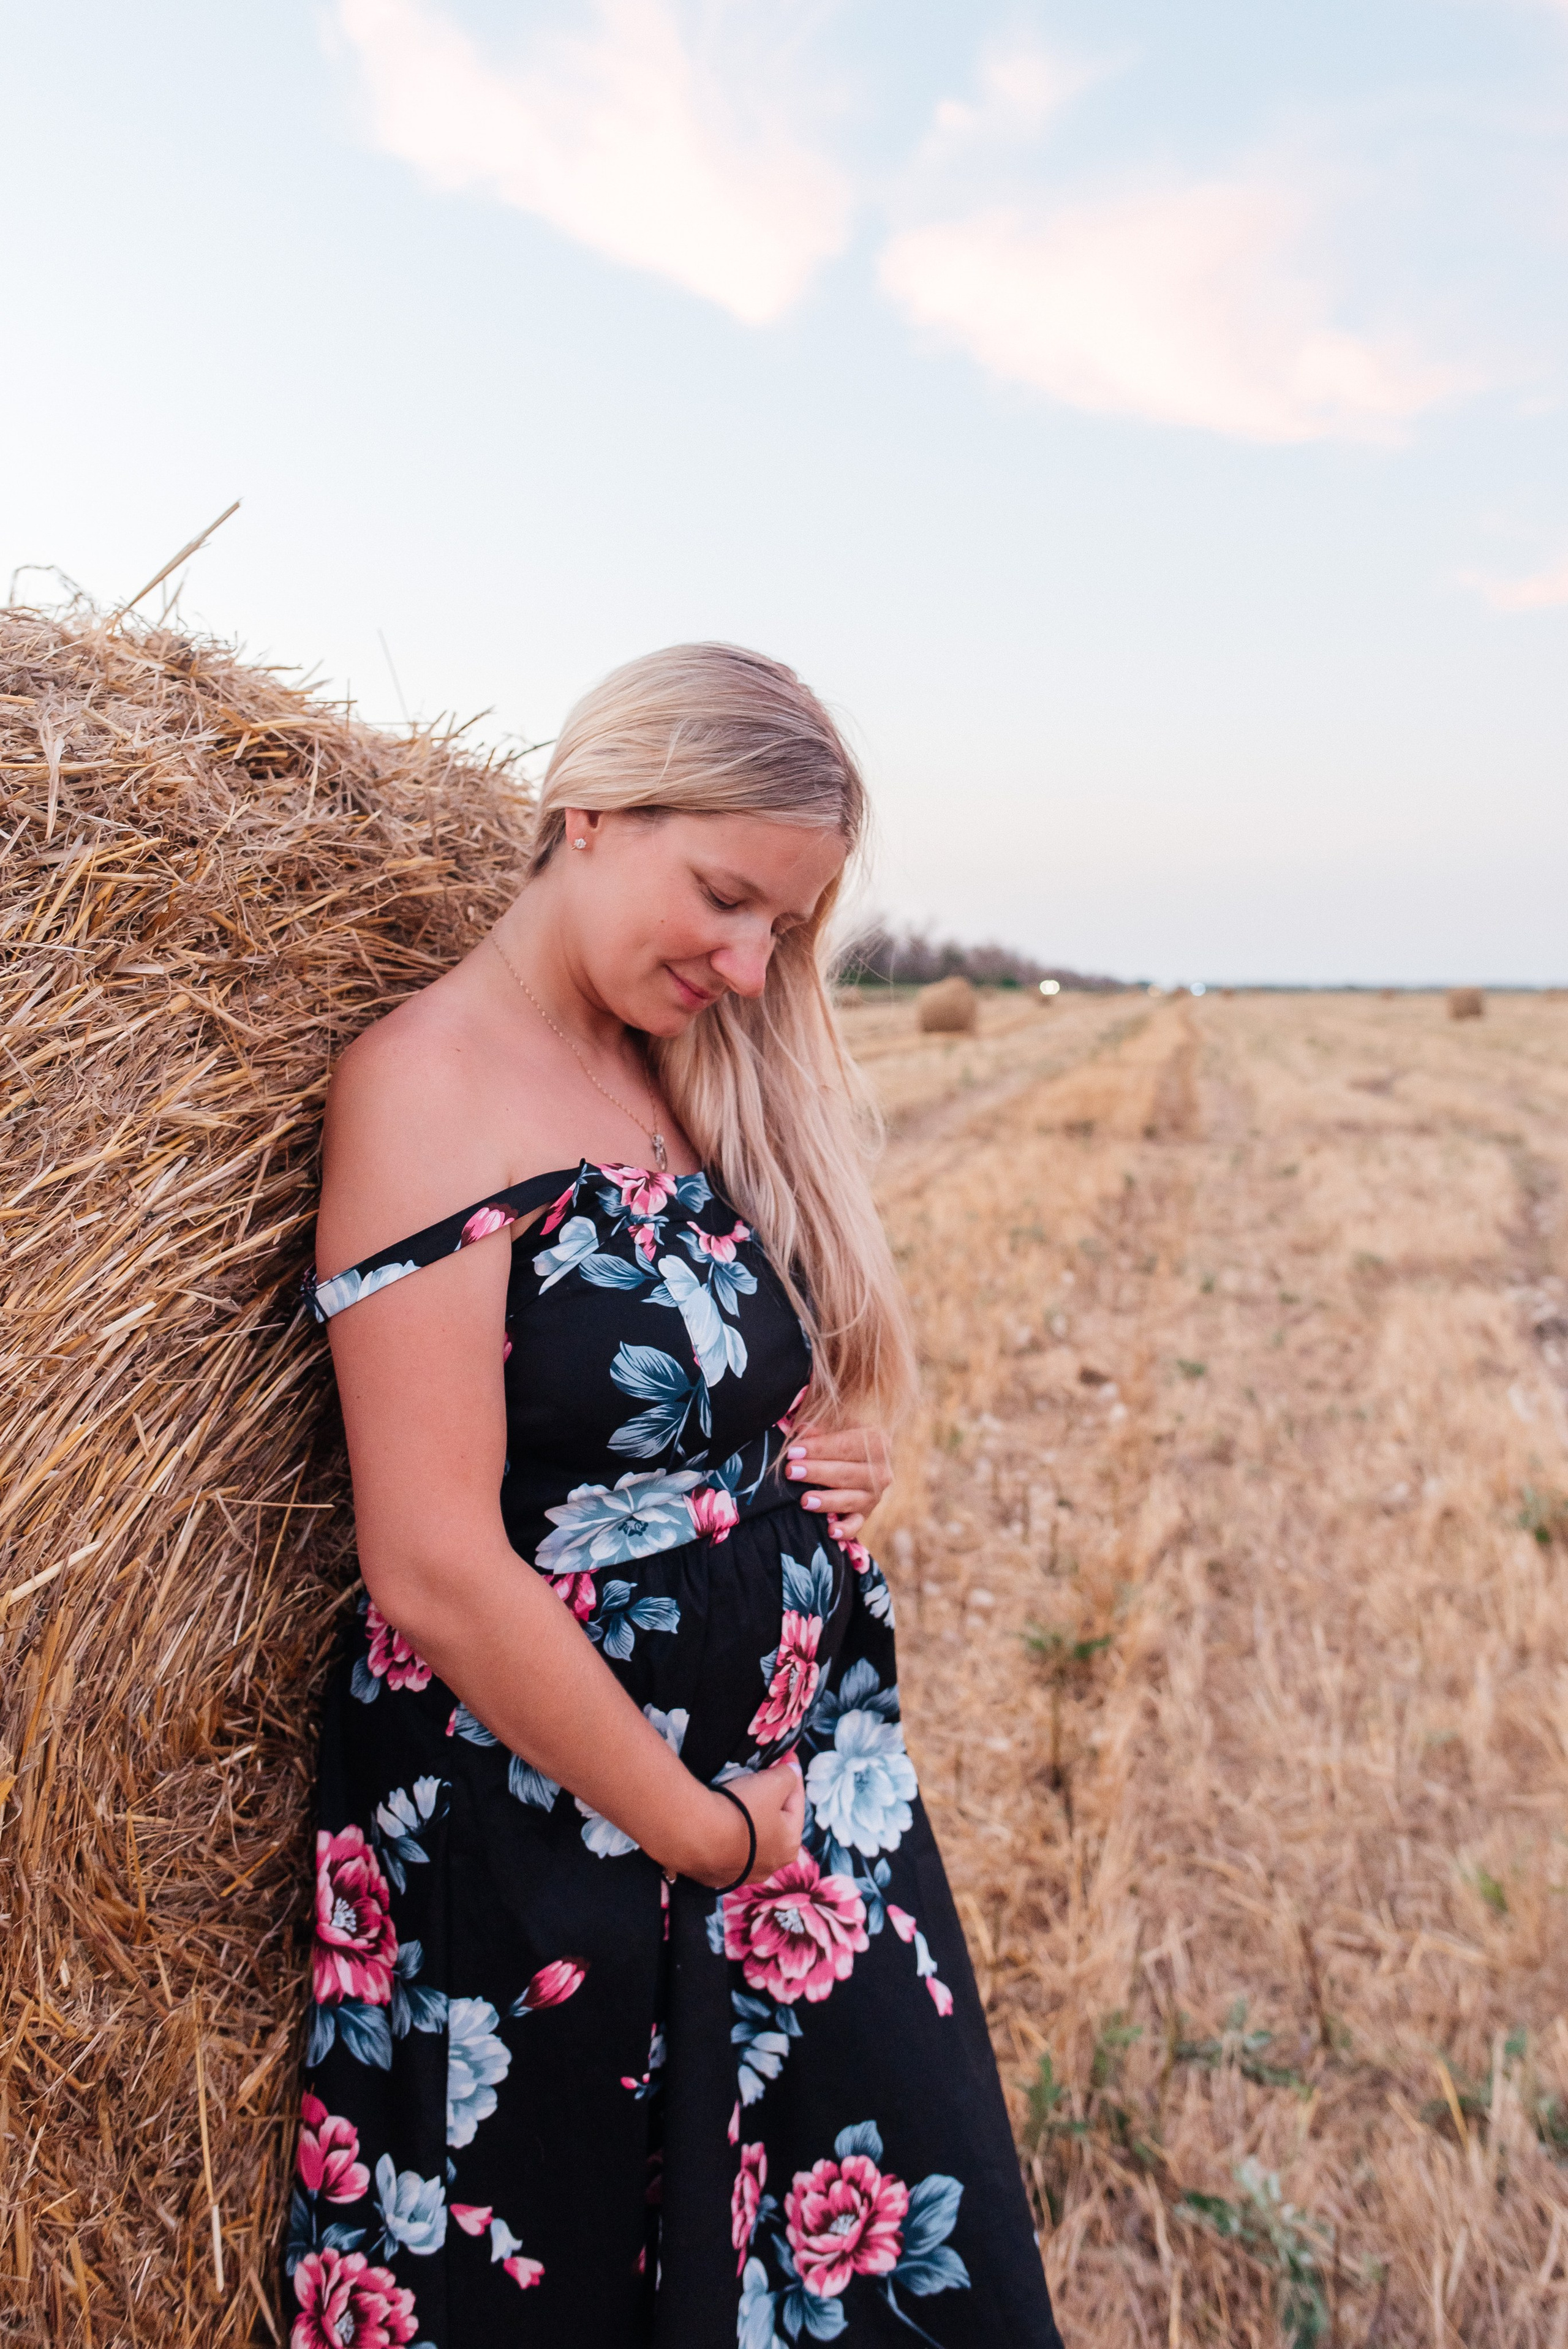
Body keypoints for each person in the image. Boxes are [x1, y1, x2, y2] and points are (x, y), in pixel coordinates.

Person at [290, 644, 1065, 2349]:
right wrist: (699, 1827)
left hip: (798, 1820)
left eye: (781, 926)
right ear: (593, 806)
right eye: (723, 896)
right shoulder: (425, 1086)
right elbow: (431, 1563)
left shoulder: (682, 1073)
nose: (746, 958)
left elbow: (714, 1377)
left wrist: (826, 1442)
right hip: (561, 1845)